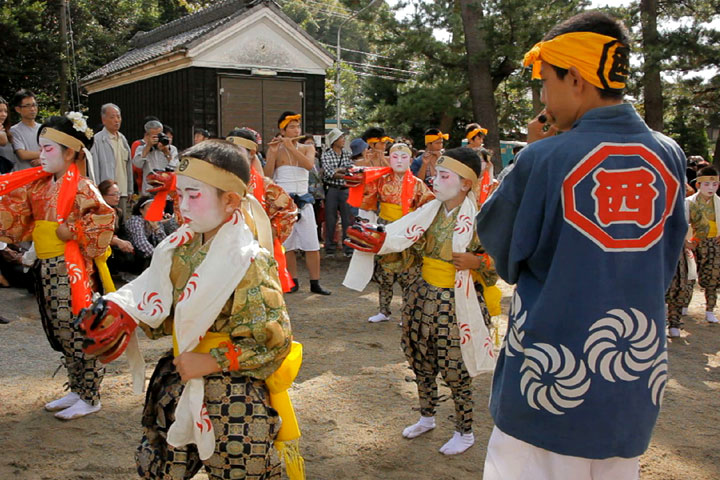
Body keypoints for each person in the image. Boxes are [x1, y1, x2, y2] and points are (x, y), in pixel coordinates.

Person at [476, 12, 687, 479]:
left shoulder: (545, 156)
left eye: (545, 81)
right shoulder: (669, 154)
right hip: (631, 378)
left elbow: (504, 251)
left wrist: (529, 156)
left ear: (575, 78)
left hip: (548, 382)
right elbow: (667, 261)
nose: (543, 98)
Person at [76, 139, 300, 479]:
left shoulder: (249, 260)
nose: (183, 206)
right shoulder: (179, 246)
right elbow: (156, 293)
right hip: (179, 378)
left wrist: (210, 361)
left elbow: (274, 339)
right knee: (164, 468)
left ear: (231, 201)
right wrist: (124, 309)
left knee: (237, 469)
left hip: (231, 392)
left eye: (194, 195)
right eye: (180, 195)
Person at [344, 147, 497, 455]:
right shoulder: (428, 211)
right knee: (420, 360)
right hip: (422, 295)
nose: (435, 181)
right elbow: (408, 246)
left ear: (466, 183)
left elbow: (499, 267)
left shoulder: (481, 220)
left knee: (455, 367)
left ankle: (464, 430)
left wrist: (476, 262)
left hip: (456, 303)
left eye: (443, 176)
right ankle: (427, 416)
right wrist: (382, 241)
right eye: (436, 175)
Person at [0, 113, 116, 419]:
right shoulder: (38, 185)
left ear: (70, 153)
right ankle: (77, 389)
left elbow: (104, 220)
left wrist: (74, 231)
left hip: (71, 267)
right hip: (46, 266)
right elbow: (17, 212)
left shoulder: (82, 187)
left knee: (78, 327)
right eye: (41, 148)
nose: (41, 155)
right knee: (59, 328)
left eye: (48, 148)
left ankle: (91, 395)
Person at [344, 143, 435, 323]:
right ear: (389, 159)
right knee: (384, 272)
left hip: (406, 228)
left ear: (410, 160)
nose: (399, 161)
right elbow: (367, 196)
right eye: (395, 156)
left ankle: (406, 313)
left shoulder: (418, 184)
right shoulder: (382, 179)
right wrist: (368, 169)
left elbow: (428, 206)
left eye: (403, 157)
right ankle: (384, 311)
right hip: (385, 226)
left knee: (408, 273)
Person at [264, 111, 331, 295]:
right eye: (291, 127)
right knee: (288, 245)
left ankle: (315, 282)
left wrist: (292, 148)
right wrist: (272, 153)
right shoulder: (276, 149)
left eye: (297, 127)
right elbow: (267, 175)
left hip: (303, 200)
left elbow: (310, 166)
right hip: (283, 203)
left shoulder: (307, 148)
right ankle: (292, 281)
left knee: (312, 244)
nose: (296, 130)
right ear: (282, 130)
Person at [687, 166, 720, 325]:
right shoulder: (688, 202)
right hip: (693, 242)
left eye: (714, 185)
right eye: (707, 184)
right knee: (688, 275)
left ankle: (709, 309)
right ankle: (683, 304)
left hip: (714, 243)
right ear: (698, 185)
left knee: (712, 276)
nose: (711, 188)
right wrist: (687, 242)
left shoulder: (719, 203)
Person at [90, 104, 133, 216]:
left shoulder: (122, 139)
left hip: (121, 191)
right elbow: (94, 169)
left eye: (118, 117)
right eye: (112, 117)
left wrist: (130, 190)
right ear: (104, 120)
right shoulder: (97, 140)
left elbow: (128, 166)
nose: (116, 120)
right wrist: (97, 192)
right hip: (106, 193)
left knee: (122, 222)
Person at [320, 128, 354, 256]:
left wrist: (339, 171)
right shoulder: (326, 154)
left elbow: (351, 170)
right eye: (341, 138)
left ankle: (348, 248)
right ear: (334, 141)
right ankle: (329, 248)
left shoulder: (347, 154)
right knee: (330, 219)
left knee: (347, 220)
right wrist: (343, 171)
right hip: (332, 189)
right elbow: (330, 173)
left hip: (345, 189)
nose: (343, 140)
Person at [97, 179, 136, 274]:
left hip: (116, 248)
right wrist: (117, 241)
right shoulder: (96, 213)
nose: (117, 197)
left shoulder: (118, 212)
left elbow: (123, 232)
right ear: (103, 195)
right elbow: (97, 236)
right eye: (113, 194)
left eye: (118, 194)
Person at [132, 119, 179, 194]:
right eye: (154, 136)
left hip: (167, 192)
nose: (158, 139)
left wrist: (166, 152)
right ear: (147, 135)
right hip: (149, 190)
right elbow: (137, 165)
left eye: (159, 135)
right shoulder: (141, 149)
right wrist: (148, 147)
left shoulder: (171, 149)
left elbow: (175, 167)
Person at [125, 196, 168, 270]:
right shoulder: (135, 221)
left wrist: (156, 228)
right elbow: (141, 243)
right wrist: (161, 256)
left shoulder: (156, 221)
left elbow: (165, 243)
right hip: (134, 257)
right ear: (141, 210)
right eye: (150, 207)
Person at [9, 89, 41, 170]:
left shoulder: (44, 128)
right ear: (18, 109)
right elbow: (23, 154)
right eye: (27, 106)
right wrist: (46, 154)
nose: (32, 109)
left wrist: (43, 158)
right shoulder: (14, 131)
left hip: (44, 176)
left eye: (34, 105)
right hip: (25, 177)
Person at [0, 96, 19, 173]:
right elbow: (3, 141)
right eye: (0, 111)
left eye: (6, 111)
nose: (4, 114)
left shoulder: (9, 131)